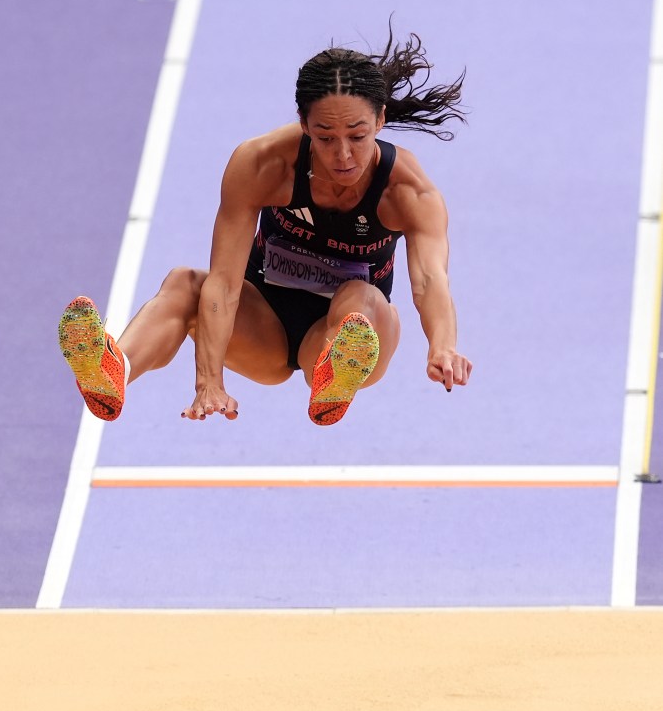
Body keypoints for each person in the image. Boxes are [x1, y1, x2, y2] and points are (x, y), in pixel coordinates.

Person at [58, 24, 472, 427]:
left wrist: (443, 346)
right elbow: (224, 282)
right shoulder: (262, 165)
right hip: (262, 325)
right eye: (325, 137)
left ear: (380, 121)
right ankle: (113, 371)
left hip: (347, 331)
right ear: (304, 123)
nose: (343, 154)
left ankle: (335, 376)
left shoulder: (408, 191)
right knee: (185, 283)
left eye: (357, 136)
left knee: (359, 298)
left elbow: (430, 280)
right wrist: (209, 380)